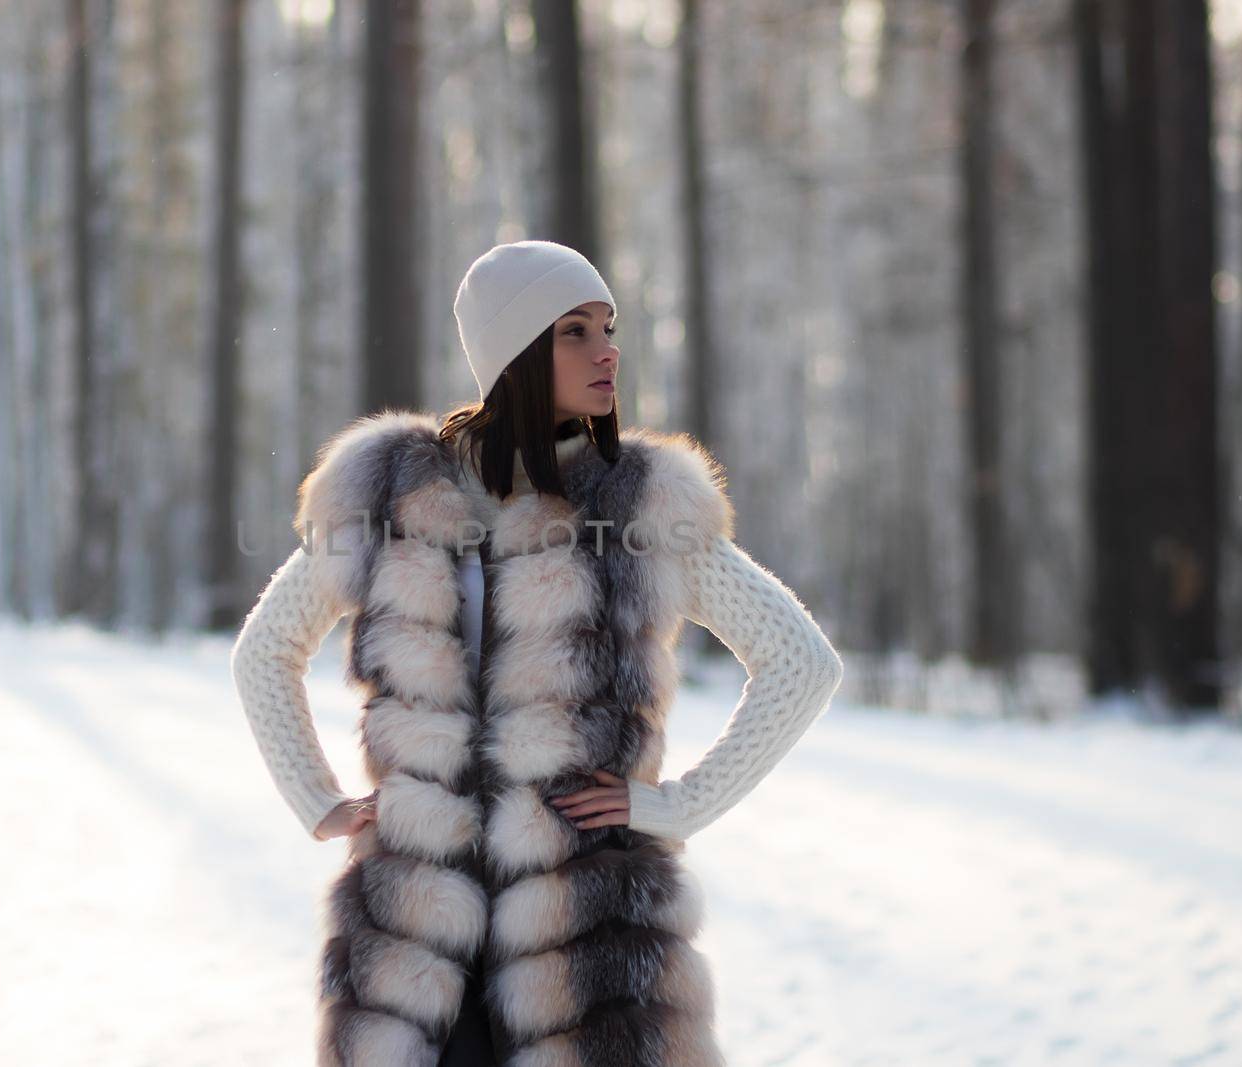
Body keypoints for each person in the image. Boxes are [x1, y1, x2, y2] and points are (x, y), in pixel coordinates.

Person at [231, 239, 844, 1066]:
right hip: (415, 933)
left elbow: (800, 660)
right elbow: (266, 650)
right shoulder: (389, 495)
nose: (607, 350)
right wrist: (320, 800)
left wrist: (677, 806)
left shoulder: (636, 507)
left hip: (585, 939)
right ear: (514, 349)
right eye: (575, 331)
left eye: (609, 327)